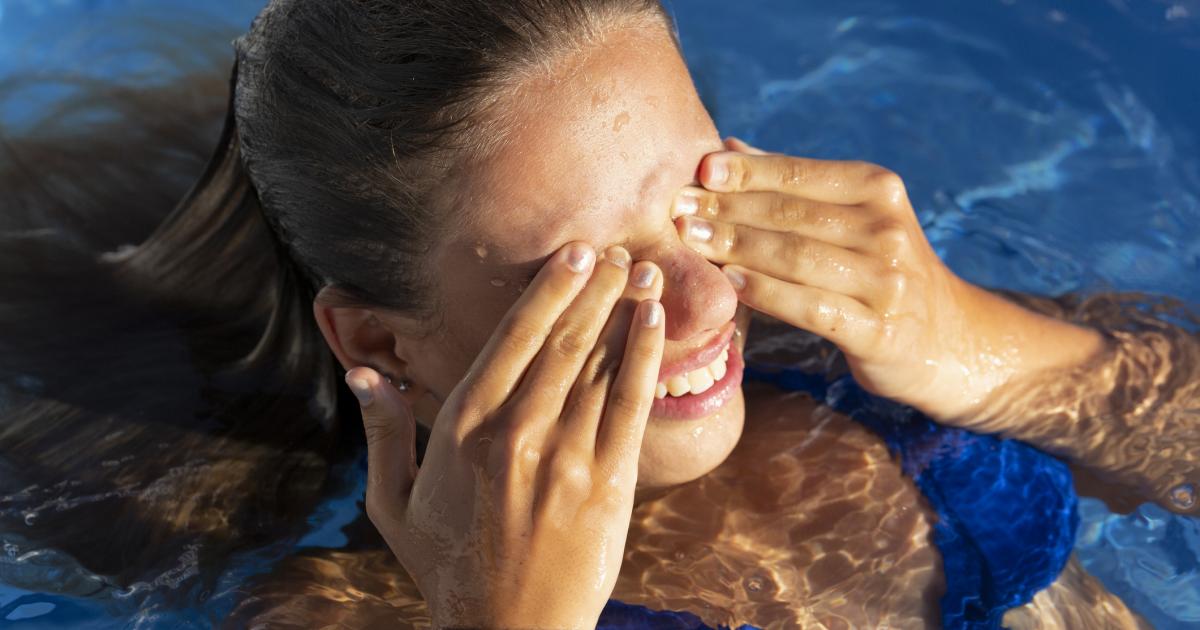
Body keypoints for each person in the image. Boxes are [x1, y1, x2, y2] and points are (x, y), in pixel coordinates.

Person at [1, 0, 1196, 628]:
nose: (708, 300)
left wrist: (985, 350)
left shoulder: (829, 348)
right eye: (583, 274)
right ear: (377, 342)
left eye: (693, 210)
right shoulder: (351, 613)